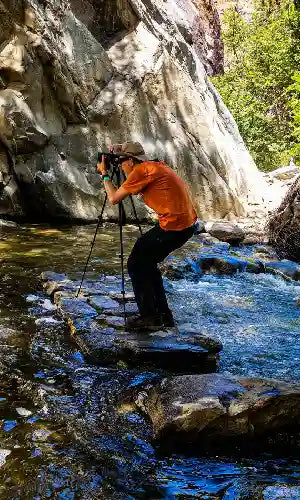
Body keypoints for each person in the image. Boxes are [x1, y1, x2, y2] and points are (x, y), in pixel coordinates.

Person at [97, 141, 197, 331]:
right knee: (147, 262)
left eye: (121, 162)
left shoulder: (142, 171)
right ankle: (163, 315)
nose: (120, 165)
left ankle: (150, 317)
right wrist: (118, 149)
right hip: (185, 226)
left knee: (136, 263)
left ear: (131, 161)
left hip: (173, 227)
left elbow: (113, 198)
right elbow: (129, 185)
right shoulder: (154, 166)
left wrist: (105, 175)